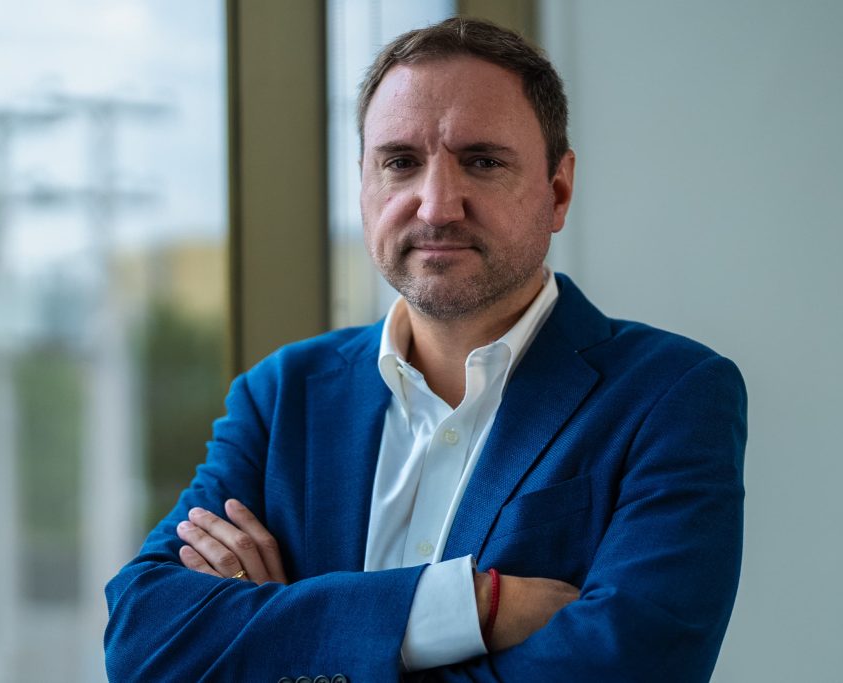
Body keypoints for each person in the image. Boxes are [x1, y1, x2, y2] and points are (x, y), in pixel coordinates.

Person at [104, 17, 746, 683]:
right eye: (400, 163)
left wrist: (284, 632)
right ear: (364, 185)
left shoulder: (673, 395)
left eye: (483, 162)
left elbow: (626, 666)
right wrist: (473, 605)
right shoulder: (280, 395)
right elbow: (144, 640)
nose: (437, 207)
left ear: (557, 191)